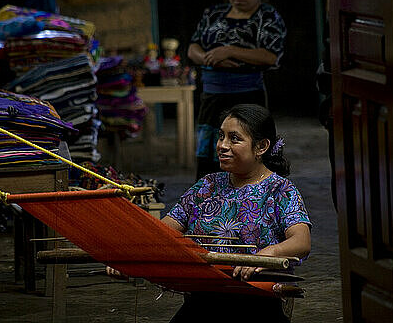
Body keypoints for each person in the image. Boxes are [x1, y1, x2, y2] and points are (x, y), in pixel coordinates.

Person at [108, 104, 311, 322]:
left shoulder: (280, 190)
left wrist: (267, 254)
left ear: (261, 146)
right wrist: (130, 257)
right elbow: (163, 231)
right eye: (221, 136)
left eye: (234, 138)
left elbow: (301, 242)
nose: (222, 145)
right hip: (203, 299)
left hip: (256, 299)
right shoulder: (207, 186)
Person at [187, 0, 287, 180]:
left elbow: (271, 56)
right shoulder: (213, 14)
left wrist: (230, 50)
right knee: (212, 158)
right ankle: (209, 211)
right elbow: (193, 47)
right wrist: (208, 58)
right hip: (212, 101)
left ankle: (250, 210)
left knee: (247, 156)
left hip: (247, 98)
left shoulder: (267, 17)